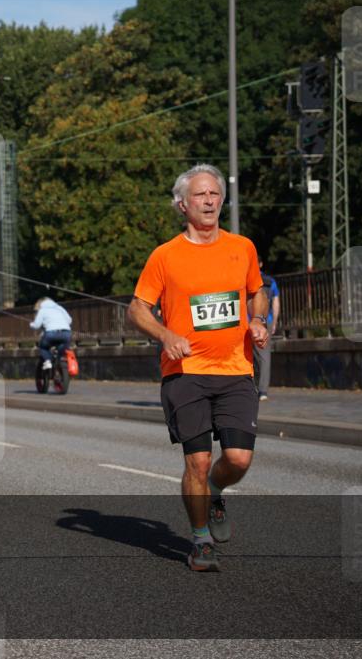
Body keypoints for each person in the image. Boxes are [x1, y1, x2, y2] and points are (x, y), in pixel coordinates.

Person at [126, 164, 268, 572]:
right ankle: (201, 540)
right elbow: (137, 308)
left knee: (238, 458)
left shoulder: (242, 247)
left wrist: (258, 322)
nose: (209, 201)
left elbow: (257, 292)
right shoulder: (165, 256)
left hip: (236, 368)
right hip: (184, 372)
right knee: (198, 461)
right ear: (182, 204)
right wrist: (165, 334)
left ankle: (215, 490)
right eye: (200, 195)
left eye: (214, 194)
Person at [252, 260, 280, 401]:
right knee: (264, 356)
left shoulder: (243, 277)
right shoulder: (270, 282)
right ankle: (263, 390)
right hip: (264, 321)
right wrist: (274, 322)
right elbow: (275, 302)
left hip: (245, 321)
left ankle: (250, 388)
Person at [30, 297, 72, 369]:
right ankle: (59, 363)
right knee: (61, 351)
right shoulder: (60, 308)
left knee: (43, 347)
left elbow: (36, 325)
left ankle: (48, 361)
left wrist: (31, 324)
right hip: (66, 333)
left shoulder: (42, 310)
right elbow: (69, 320)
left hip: (51, 334)